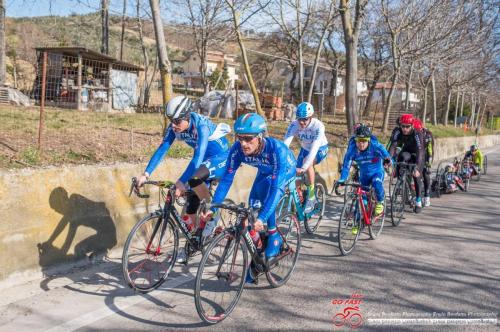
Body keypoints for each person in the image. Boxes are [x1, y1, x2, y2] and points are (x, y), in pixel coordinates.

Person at [203, 113, 296, 283]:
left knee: (267, 192)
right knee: (251, 209)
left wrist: (262, 217)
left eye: (248, 138)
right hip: (264, 172)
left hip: (286, 169)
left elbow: (277, 189)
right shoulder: (237, 149)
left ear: (260, 137)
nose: (243, 143)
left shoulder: (277, 150)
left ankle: (274, 236)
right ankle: (258, 252)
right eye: (239, 138)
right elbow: (226, 180)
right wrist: (213, 208)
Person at [135, 96, 231, 262]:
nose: (173, 125)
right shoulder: (176, 128)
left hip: (220, 158)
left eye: (177, 121)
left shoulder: (201, 126)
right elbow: (162, 150)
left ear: (188, 116)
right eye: (171, 120)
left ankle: (212, 213)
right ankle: (194, 242)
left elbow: (197, 158)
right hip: (203, 163)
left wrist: (180, 182)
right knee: (191, 210)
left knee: (193, 180)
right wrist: (145, 174)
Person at [336, 125, 392, 222]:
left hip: (377, 173)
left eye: (364, 141)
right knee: (361, 199)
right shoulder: (352, 150)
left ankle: (380, 202)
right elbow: (346, 167)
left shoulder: (375, 146)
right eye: (358, 141)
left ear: (368, 140)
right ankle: (359, 222)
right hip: (364, 176)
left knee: (377, 184)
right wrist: (342, 179)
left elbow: (387, 156)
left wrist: (388, 161)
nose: (361, 144)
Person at [283, 102, 329, 213]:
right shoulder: (294, 125)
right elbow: (285, 144)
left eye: (305, 119)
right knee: (295, 176)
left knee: (306, 163)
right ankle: (298, 198)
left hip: (320, 149)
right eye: (299, 119)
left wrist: (304, 167)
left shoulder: (318, 126)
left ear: (311, 117)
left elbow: (314, 150)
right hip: (305, 149)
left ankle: (312, 196)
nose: (302, 122)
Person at [388, 114, 425, 213]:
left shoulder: (417, 133)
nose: (405, 129)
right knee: (402, 157)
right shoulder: (398, 131)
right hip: (407, 151)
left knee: (416, 176)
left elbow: (420, 151)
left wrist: (417, 167)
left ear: (412, 125)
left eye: (407, 126)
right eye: (403, 126)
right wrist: (388, 159)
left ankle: (418, 200)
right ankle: (401, 180)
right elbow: (393, 145)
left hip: (418, 153)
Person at [413, 118, 434, 207]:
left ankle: (427, 195)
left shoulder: (427, 135)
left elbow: (430, 150)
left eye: (418, 130)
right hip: (415, 153)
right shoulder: (412, 133)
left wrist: (428, 163)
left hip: (425, 155)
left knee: (425, 174)